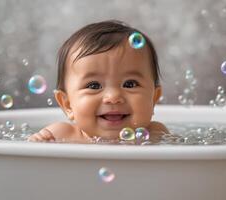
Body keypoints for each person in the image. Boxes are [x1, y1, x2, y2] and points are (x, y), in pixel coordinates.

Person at [28, 20, 168, 143]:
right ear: (68, 104)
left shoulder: (156, 134)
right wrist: (38, 143)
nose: (113, 97)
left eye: (130, 84)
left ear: (153, 98)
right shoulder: (60, 135)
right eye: (94, 85)